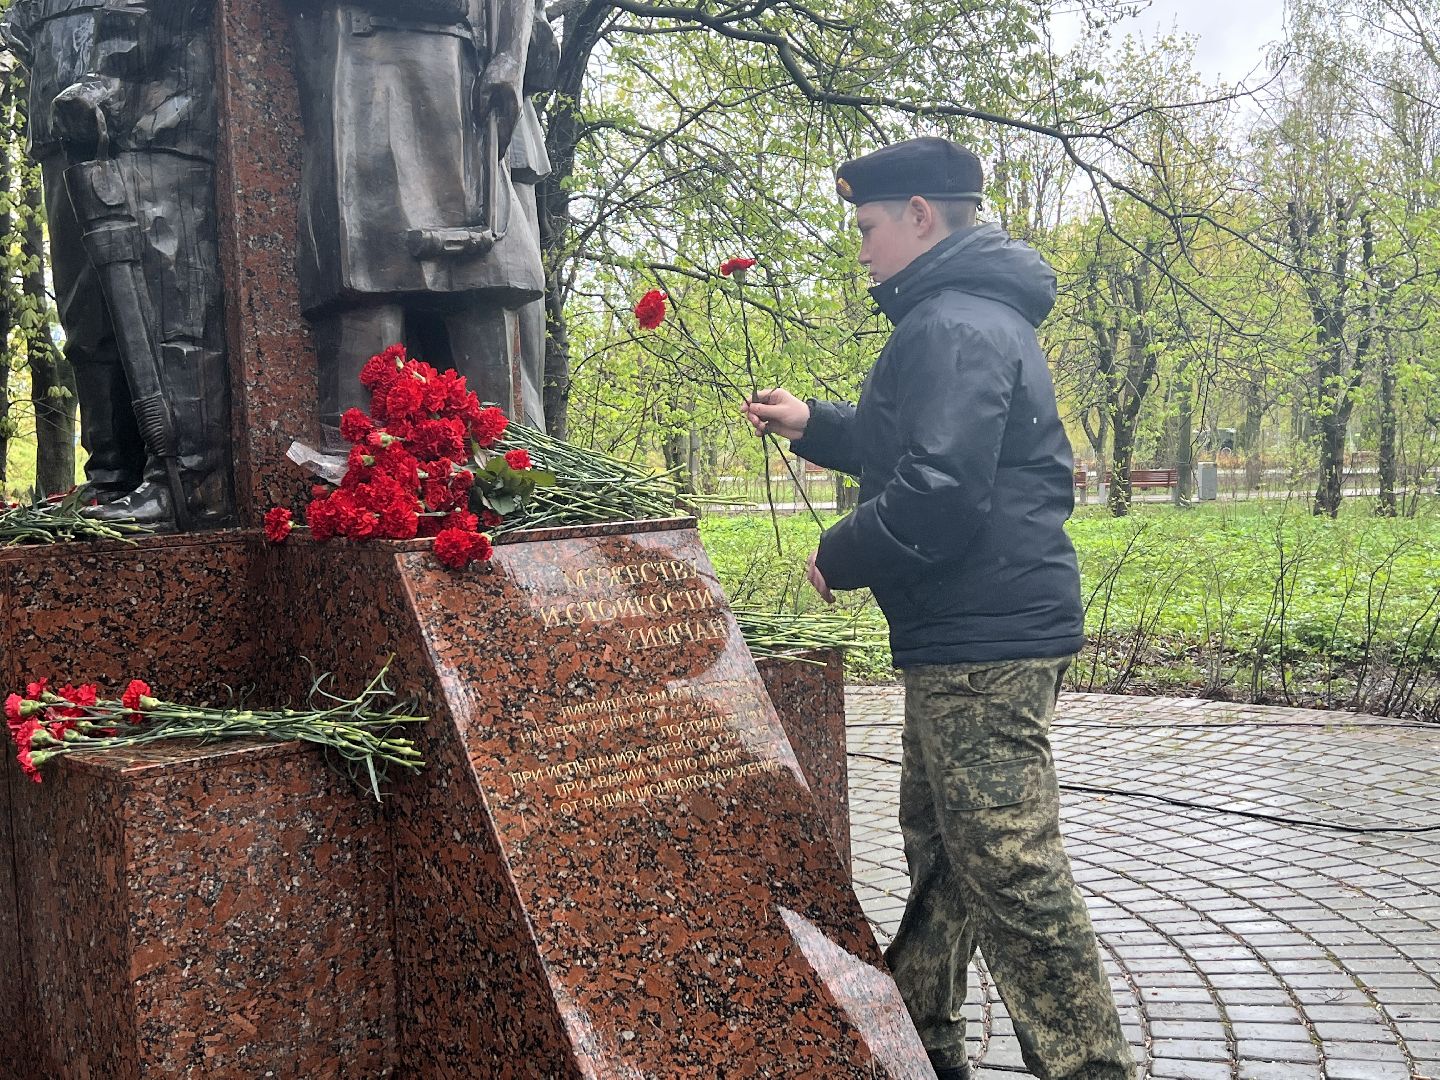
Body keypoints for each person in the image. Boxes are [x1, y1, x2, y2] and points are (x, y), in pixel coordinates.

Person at [742, 137, 1133, 1080]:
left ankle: (1091, 1069)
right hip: (969, 631)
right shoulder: (958, 316)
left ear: (921, 215)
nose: (862, 247)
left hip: (982, 638)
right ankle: (921, 1034)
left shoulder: (952, 323)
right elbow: (904, 443)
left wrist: (841, 551)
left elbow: (938, 493)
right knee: (949, 846)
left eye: (869, 226)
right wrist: (813, 423)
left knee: (1008, 865)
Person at [2, 0, 233, 528]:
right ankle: (111, 474)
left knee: (163, 305)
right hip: (58, 115)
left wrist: (114, 74)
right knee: (86, 316)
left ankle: (185, 481)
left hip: (147, 109)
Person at [286, 0, 545, 432]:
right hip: (363, 63)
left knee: (486, 284)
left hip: (462, 71)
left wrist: (510, 56)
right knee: (367, 287)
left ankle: (505, 475)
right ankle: (360, 483)